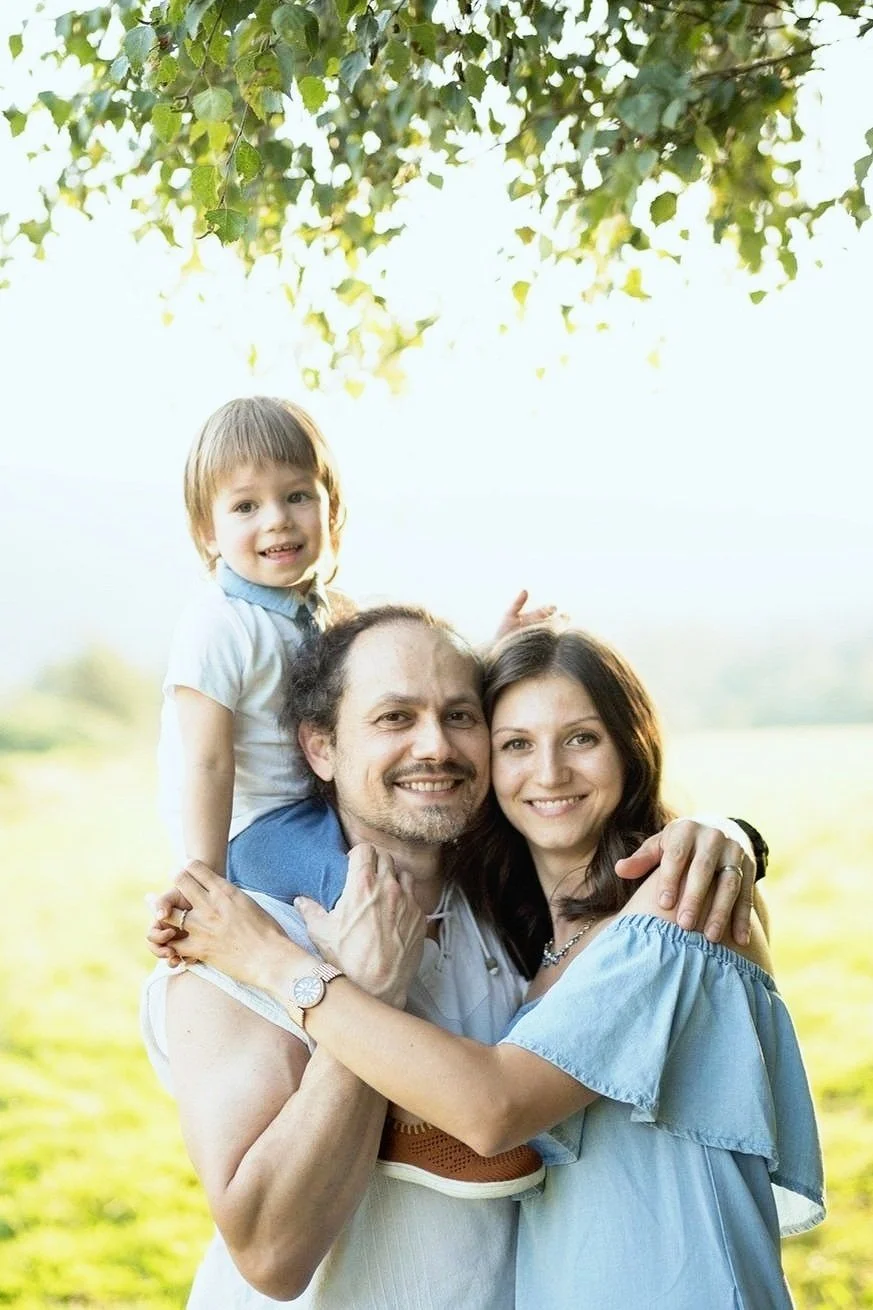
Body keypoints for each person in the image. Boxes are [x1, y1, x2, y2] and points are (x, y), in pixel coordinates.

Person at [143, 607, 767, 1309]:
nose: (435, 746)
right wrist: (360, 985)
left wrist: (727, 834)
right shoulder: (240, 940)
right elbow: (270, 1254)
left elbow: (500, 1101)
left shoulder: (509, 906)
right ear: (320, 749)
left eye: (460, 716)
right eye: (394, 718)